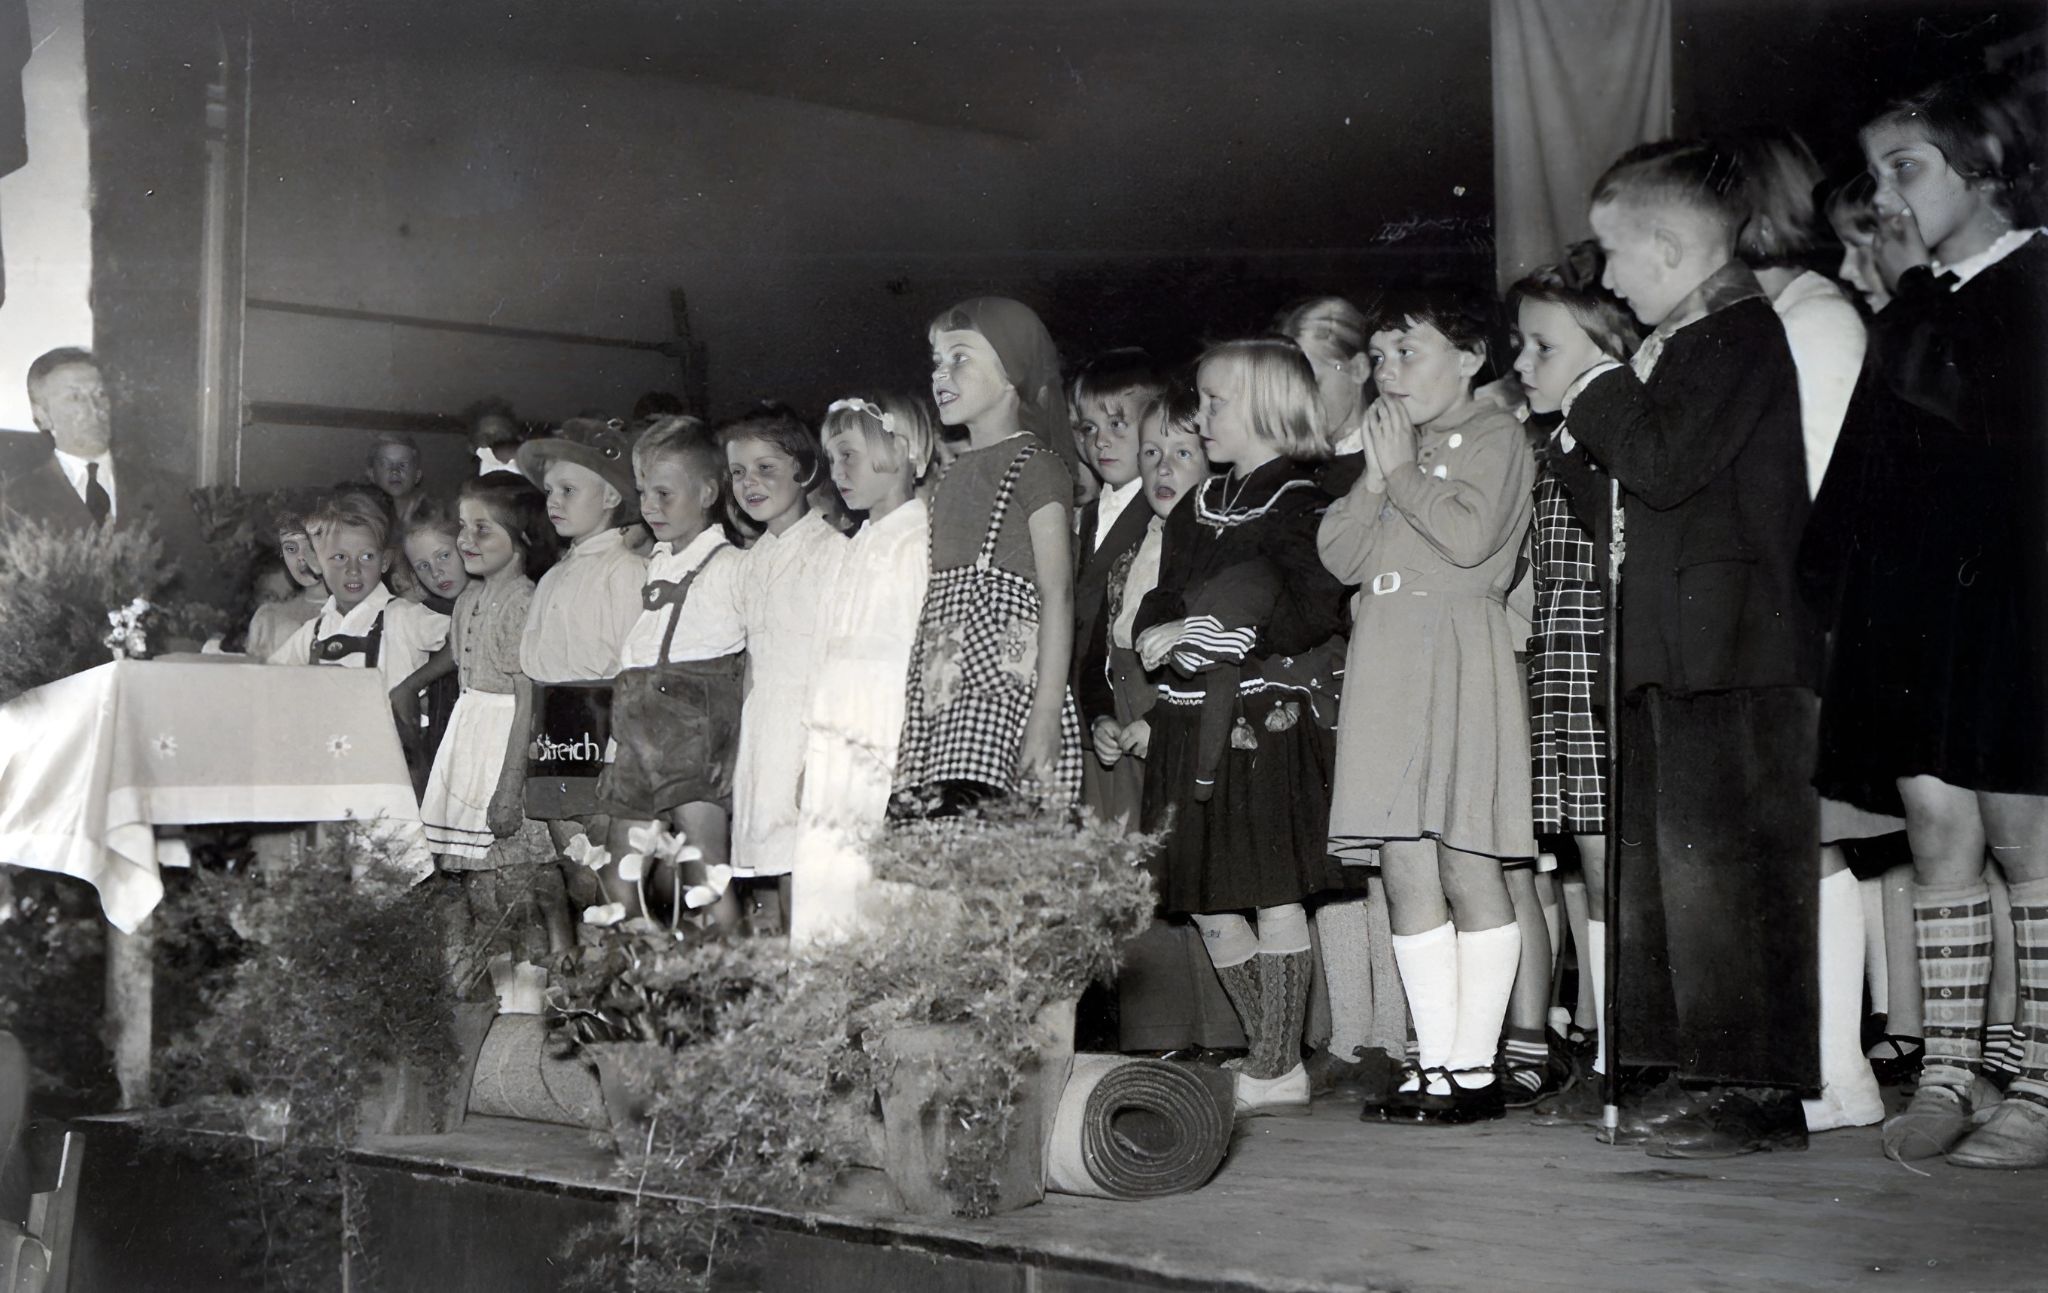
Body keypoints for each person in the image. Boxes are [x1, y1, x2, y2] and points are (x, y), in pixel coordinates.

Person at [1554, 138, 1820, 1155]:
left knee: (1728, 877)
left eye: (1613, 255)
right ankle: (1660, 1059)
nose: (1607, 279)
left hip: (1736, 655)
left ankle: (1749, 1088)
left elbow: (1661, 463)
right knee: (1660, 875)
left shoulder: (1735, 335)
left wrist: (1592, 389)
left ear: (1666, 247)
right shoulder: (1679, 347)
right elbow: (1633, 488)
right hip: (1669, 651)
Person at [1844, 73, 2048, 1169]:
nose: (1883, 196)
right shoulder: (1919, 300)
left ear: (1982, 172)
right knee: (1933, 826)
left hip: (2016, 601)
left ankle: (2041, 1082)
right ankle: (1947, 1069)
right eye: (1874, 173)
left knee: (2025, 837)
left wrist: (1912, 294)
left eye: (1905, 169)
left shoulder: (2024, 282)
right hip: (1923, 610)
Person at [1319, 292, 1537, 1126]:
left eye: (1408, 351)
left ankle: (1477, 1069)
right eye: (1379, 356)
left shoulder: (1496, 436)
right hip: (1386, 664)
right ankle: (1435, 1065)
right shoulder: (1394, 454)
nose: (1388, 371)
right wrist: (1377, 477)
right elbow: (1340, 553)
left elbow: (1471, 535)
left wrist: (1401, 470)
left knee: (1468, 862)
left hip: (1457, 659)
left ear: (1473, 356)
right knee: (1405, 869)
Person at [1136, 338, 1349, 1117]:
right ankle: (1276, 1056)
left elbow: (1313, 605)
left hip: (1264, 722)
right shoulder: (1199, 504)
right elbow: (1165, 596)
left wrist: (1230, 634)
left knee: (1270, 888)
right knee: (1206, 894)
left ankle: (1271, 1061)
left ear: (1264, 405)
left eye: (1215, 402)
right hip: (1192, 720)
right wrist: (1166, 632)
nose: (1202, 416)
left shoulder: (1297, 500)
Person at [1734, 126, 1895, 1139]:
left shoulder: (1816, 317)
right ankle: (1807, 1064)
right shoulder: (1766, 315)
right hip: (1763, 613)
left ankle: (1839, 1074)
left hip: (1803, 614)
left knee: (1811, 842)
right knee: (1779, 845)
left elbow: (1819, 484)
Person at [1509, 245, 1640, 1114]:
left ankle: (1629, 1055)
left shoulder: (1611, 437)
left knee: (1611, 862)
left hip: (1606, 661)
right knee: (1586, 865)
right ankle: (1603, 1048)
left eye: (1541, 347)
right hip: (1560, 658)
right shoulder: (1546, 437)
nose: (1521, 363)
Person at [1103, 387, 1251, 1059]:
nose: (1162, 468)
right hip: (1138, 726)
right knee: (1161, 888)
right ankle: (1175, 1032)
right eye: (1152, 453)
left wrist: (1161, 720)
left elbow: (1217, 656)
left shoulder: (1215, 545)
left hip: (1192, 727)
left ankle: (1240, 1031)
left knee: (1208, 884)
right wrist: (1112, 714)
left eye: (1182, 452)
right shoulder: (1144, 544)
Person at [893, 297, 1083, 816]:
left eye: (960, 358)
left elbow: (1057, 594)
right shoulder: (950, 478)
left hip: (1004, 702)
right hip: (940, 698)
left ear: (1012, 376)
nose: (940, 374)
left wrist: (1044, 715)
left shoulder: (1036, 465)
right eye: (936, 361)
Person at [788, 394, 935, 946]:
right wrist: (810, 751)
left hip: (885, 741)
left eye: (849, 454)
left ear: (903, 450)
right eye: (832, 458)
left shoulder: (921, 542)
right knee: (825, 888)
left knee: (875, 893)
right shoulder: (854, 546)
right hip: (834, 745)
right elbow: (825, 653)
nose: (838, 471)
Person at [596, 416, 747, 927]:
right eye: (643, 492)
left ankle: (729, 995)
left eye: (664, 493)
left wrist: (735, 744)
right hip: (638, 732)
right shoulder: (656, 563)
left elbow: (750, 664)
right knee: (618, 881)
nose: (649, 506)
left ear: (707, 492)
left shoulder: (729, 567)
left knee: (704, 873)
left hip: (694, 736)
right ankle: (638, 995)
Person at [420, 474, 565, 955]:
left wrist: (509, 788)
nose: (465, 540)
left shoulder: (525, 602)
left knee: (524, 882)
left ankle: (549, 986)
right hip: (470, 743)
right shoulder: (468, 600)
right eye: (463, 526)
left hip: (506, 749)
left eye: (482, 529)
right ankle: (503, 993)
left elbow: (527, 699)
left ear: (522, 538)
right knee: (481, 885)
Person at [516, 420, 649, 910]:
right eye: (551, 491)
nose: (554, 501)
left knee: (613, 885)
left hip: (606, 743)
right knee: (577, 882)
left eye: (569, 490)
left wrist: (619, 759)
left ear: (612, 496)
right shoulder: (551, 577)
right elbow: (535, 667)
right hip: (554, 741)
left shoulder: (627, 570)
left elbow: (635, 674)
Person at [722, 404, 846, 928]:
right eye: (738, 472)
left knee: (809, 873)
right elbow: (752, 661)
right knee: (778, 872)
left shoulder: (832, 552)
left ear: (804, 469)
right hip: (765, 731)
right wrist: (737, 752)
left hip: (808, 729)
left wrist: (819, 757)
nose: (749, 483)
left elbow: (836, 663)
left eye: (765, 468)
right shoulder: (752, 561)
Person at [0, 348, 216, 592]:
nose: (95, 409)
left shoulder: (165, 491)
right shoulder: (14, 501)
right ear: (42, 416)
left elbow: (201, 587)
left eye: (100, 394)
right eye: (75, 398)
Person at [1070, 349, 1170, 830]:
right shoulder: (1087, 515)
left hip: (1136, 700)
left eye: (1117, 425)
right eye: (1089, 429)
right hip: (1092, 705)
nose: (1101, 442)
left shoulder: (1159, 510)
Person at [268, 500, 450, 706]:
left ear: (384, 561)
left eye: (366, 556)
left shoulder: (401, 616)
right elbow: (271, 675)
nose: (353, 570)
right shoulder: (315, 631)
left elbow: (464, 637)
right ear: (317, 563)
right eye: (339, 557)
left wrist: (412, 686)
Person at [244, 507, 330, 662]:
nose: (301, 558)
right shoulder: (269, 617)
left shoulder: (353, 611)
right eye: (291, 548)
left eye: (310, 546)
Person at [365, 432, 428, 531]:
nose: (395, 471)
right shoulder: (361, 519)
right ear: (371, 474)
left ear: (417, 476)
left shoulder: (431, 518)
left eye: (403, 464)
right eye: (385, 464)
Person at [466, 397, 527, 476]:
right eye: (484, 436)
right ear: (471, 447)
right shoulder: (469, 486)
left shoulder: (540, 480)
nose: (493, 440)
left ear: (519, 439)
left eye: (501, 434)